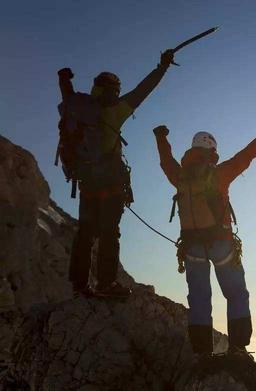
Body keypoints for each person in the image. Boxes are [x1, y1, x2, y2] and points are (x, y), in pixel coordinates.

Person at [152, 114, 256, 358]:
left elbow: (165, 161)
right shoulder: (220, 173)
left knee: (200, 297)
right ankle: (238, 348)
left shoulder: (180, 176)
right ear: (212, 151)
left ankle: (202, 351)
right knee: (236, 293)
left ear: (193, 149)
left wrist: (161, 137)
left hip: (192, 248)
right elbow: (248, 154)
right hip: (221, 244)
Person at [60, 49, 176, 298]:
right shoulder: (116, 109)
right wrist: (163, 66)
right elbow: (145, 89)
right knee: (110, 232)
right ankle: (106, 284)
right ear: (113, 88)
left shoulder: (77, 106)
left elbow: (66, 95)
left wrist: (64, 79)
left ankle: (79, 285)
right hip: (110, 183)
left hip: (86, 182)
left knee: (85, 233)